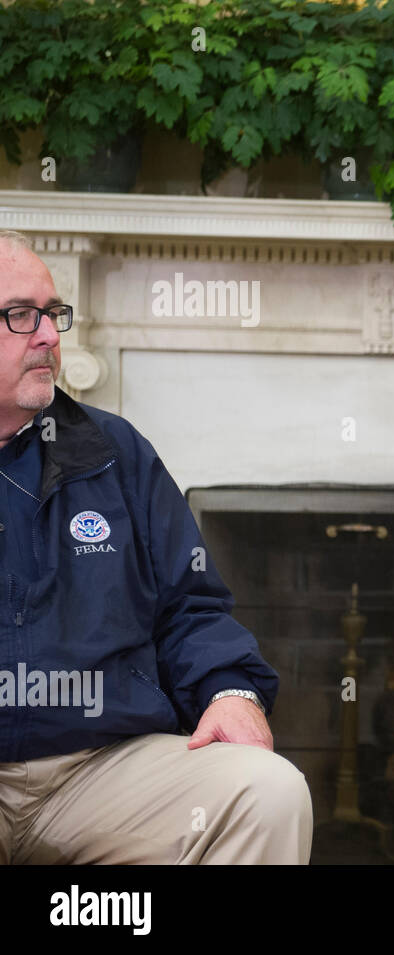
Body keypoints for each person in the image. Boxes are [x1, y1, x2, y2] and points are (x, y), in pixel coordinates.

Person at [0, 230, 311, 864]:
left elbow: (190, 605)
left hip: (104, 767)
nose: (50, 336)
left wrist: (231, 693)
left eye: (54, 314)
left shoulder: (115, 453)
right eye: (22, 316)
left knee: (269, 792)